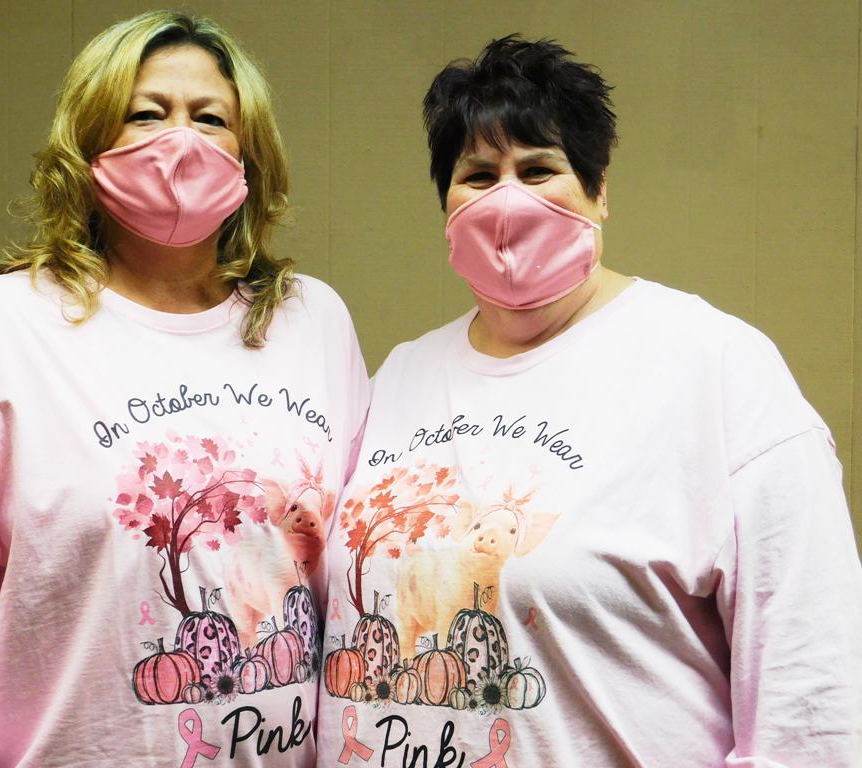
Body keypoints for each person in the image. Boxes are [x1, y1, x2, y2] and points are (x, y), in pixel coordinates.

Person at [316, 35, 862, 767]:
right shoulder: (402, 375)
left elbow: (812, 699)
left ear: (599, 190)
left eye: (539, 169)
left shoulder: (716, 366)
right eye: (478, 176)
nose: (507, 200)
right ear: (446, 205)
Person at [0, 10, 368, 767]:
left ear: (249, 152)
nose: (181, 140)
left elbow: (349, 590)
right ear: (91, 142)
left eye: (211, 118)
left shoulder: (311, 323)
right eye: (146, 114)